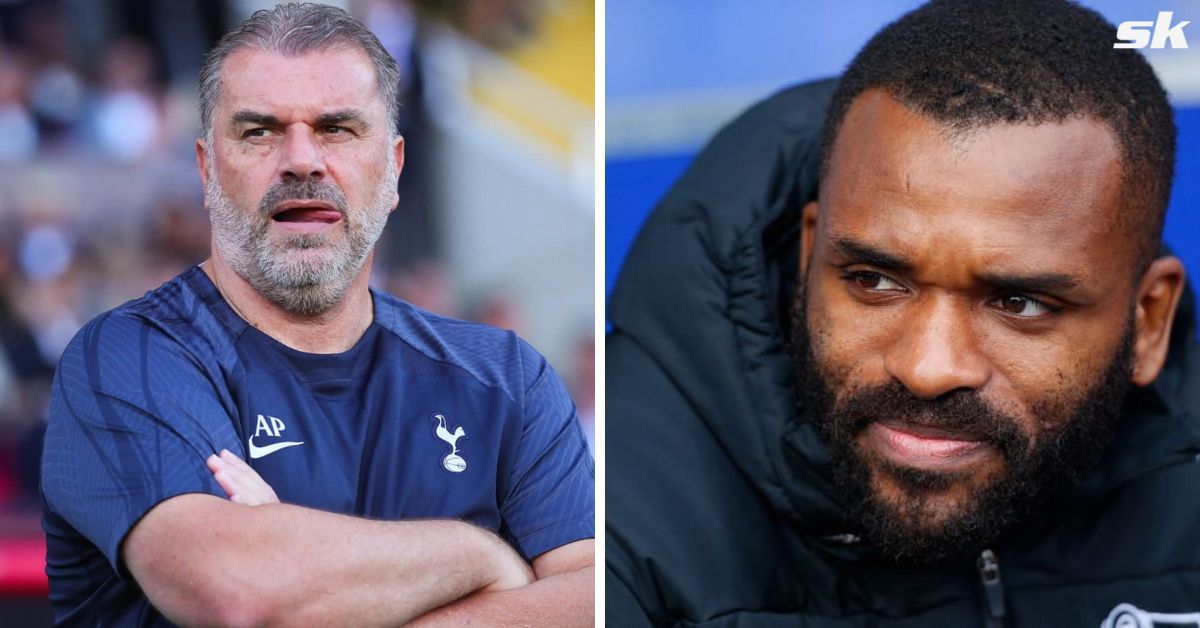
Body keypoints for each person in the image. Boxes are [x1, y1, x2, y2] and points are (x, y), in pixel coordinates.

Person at [605, 1, 1200, 625]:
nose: (927, 368)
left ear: (1150, 322)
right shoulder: (616, 508)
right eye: (874, 280)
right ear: (810, 257)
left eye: (1019, 304)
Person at [40, 3, 594, 625]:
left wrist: (312, 582)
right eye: (259, 131)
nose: (302, 160)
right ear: (205, 170)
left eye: (337, 129)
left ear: (394, 167)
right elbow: (240, 591)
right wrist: (486, 557)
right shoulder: (126, 359)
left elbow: (596, 603)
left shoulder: (507, 378)